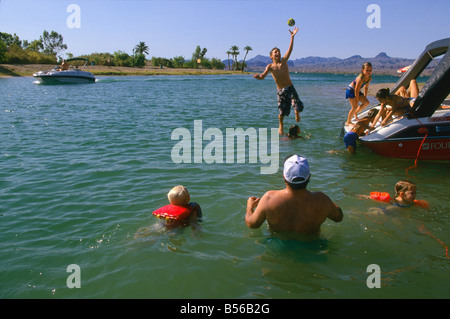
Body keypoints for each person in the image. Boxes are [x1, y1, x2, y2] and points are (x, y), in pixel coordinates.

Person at [245, 155, 343, 238]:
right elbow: (339, 217)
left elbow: (252, 224)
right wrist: (327, 202)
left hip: (278, 247)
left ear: (284, 177)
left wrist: (249, 207)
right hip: (312, 248)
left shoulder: (269, 198)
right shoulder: (321, 199)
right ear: (309, 176)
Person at [253, 27, 304, 135]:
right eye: (275, 52)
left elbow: (290, 50)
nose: (278, 53)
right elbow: (263, 76)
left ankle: (297, 113)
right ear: (271, 56)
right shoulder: (270, 66)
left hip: (290, 87)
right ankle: (281, 124)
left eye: (279, 52)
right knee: (282, 112)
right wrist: (258, 77)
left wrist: (292, 37)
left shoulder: (284, 62)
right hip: (281, 91)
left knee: (296, 104)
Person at [360, 180, 429, 209]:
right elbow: (373, 198)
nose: (415, 195)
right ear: (402, 194)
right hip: (389, 211)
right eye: (412, 193)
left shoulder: (414, 203)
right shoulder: (392, 201)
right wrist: (364, 197)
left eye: (415, 192)